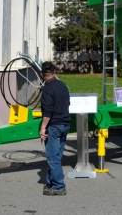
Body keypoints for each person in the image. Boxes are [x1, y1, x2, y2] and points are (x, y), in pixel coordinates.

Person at [39, 61, 71, 196]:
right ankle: (51, 182)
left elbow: (48, 111)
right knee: (57, 156)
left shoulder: (47, 89)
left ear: (42, 74)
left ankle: (58, 186)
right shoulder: (63, 85)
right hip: (65, 124)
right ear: (54, 72)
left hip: (54, 126)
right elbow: (68, 102)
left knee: (53, 158)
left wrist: (42, 128)